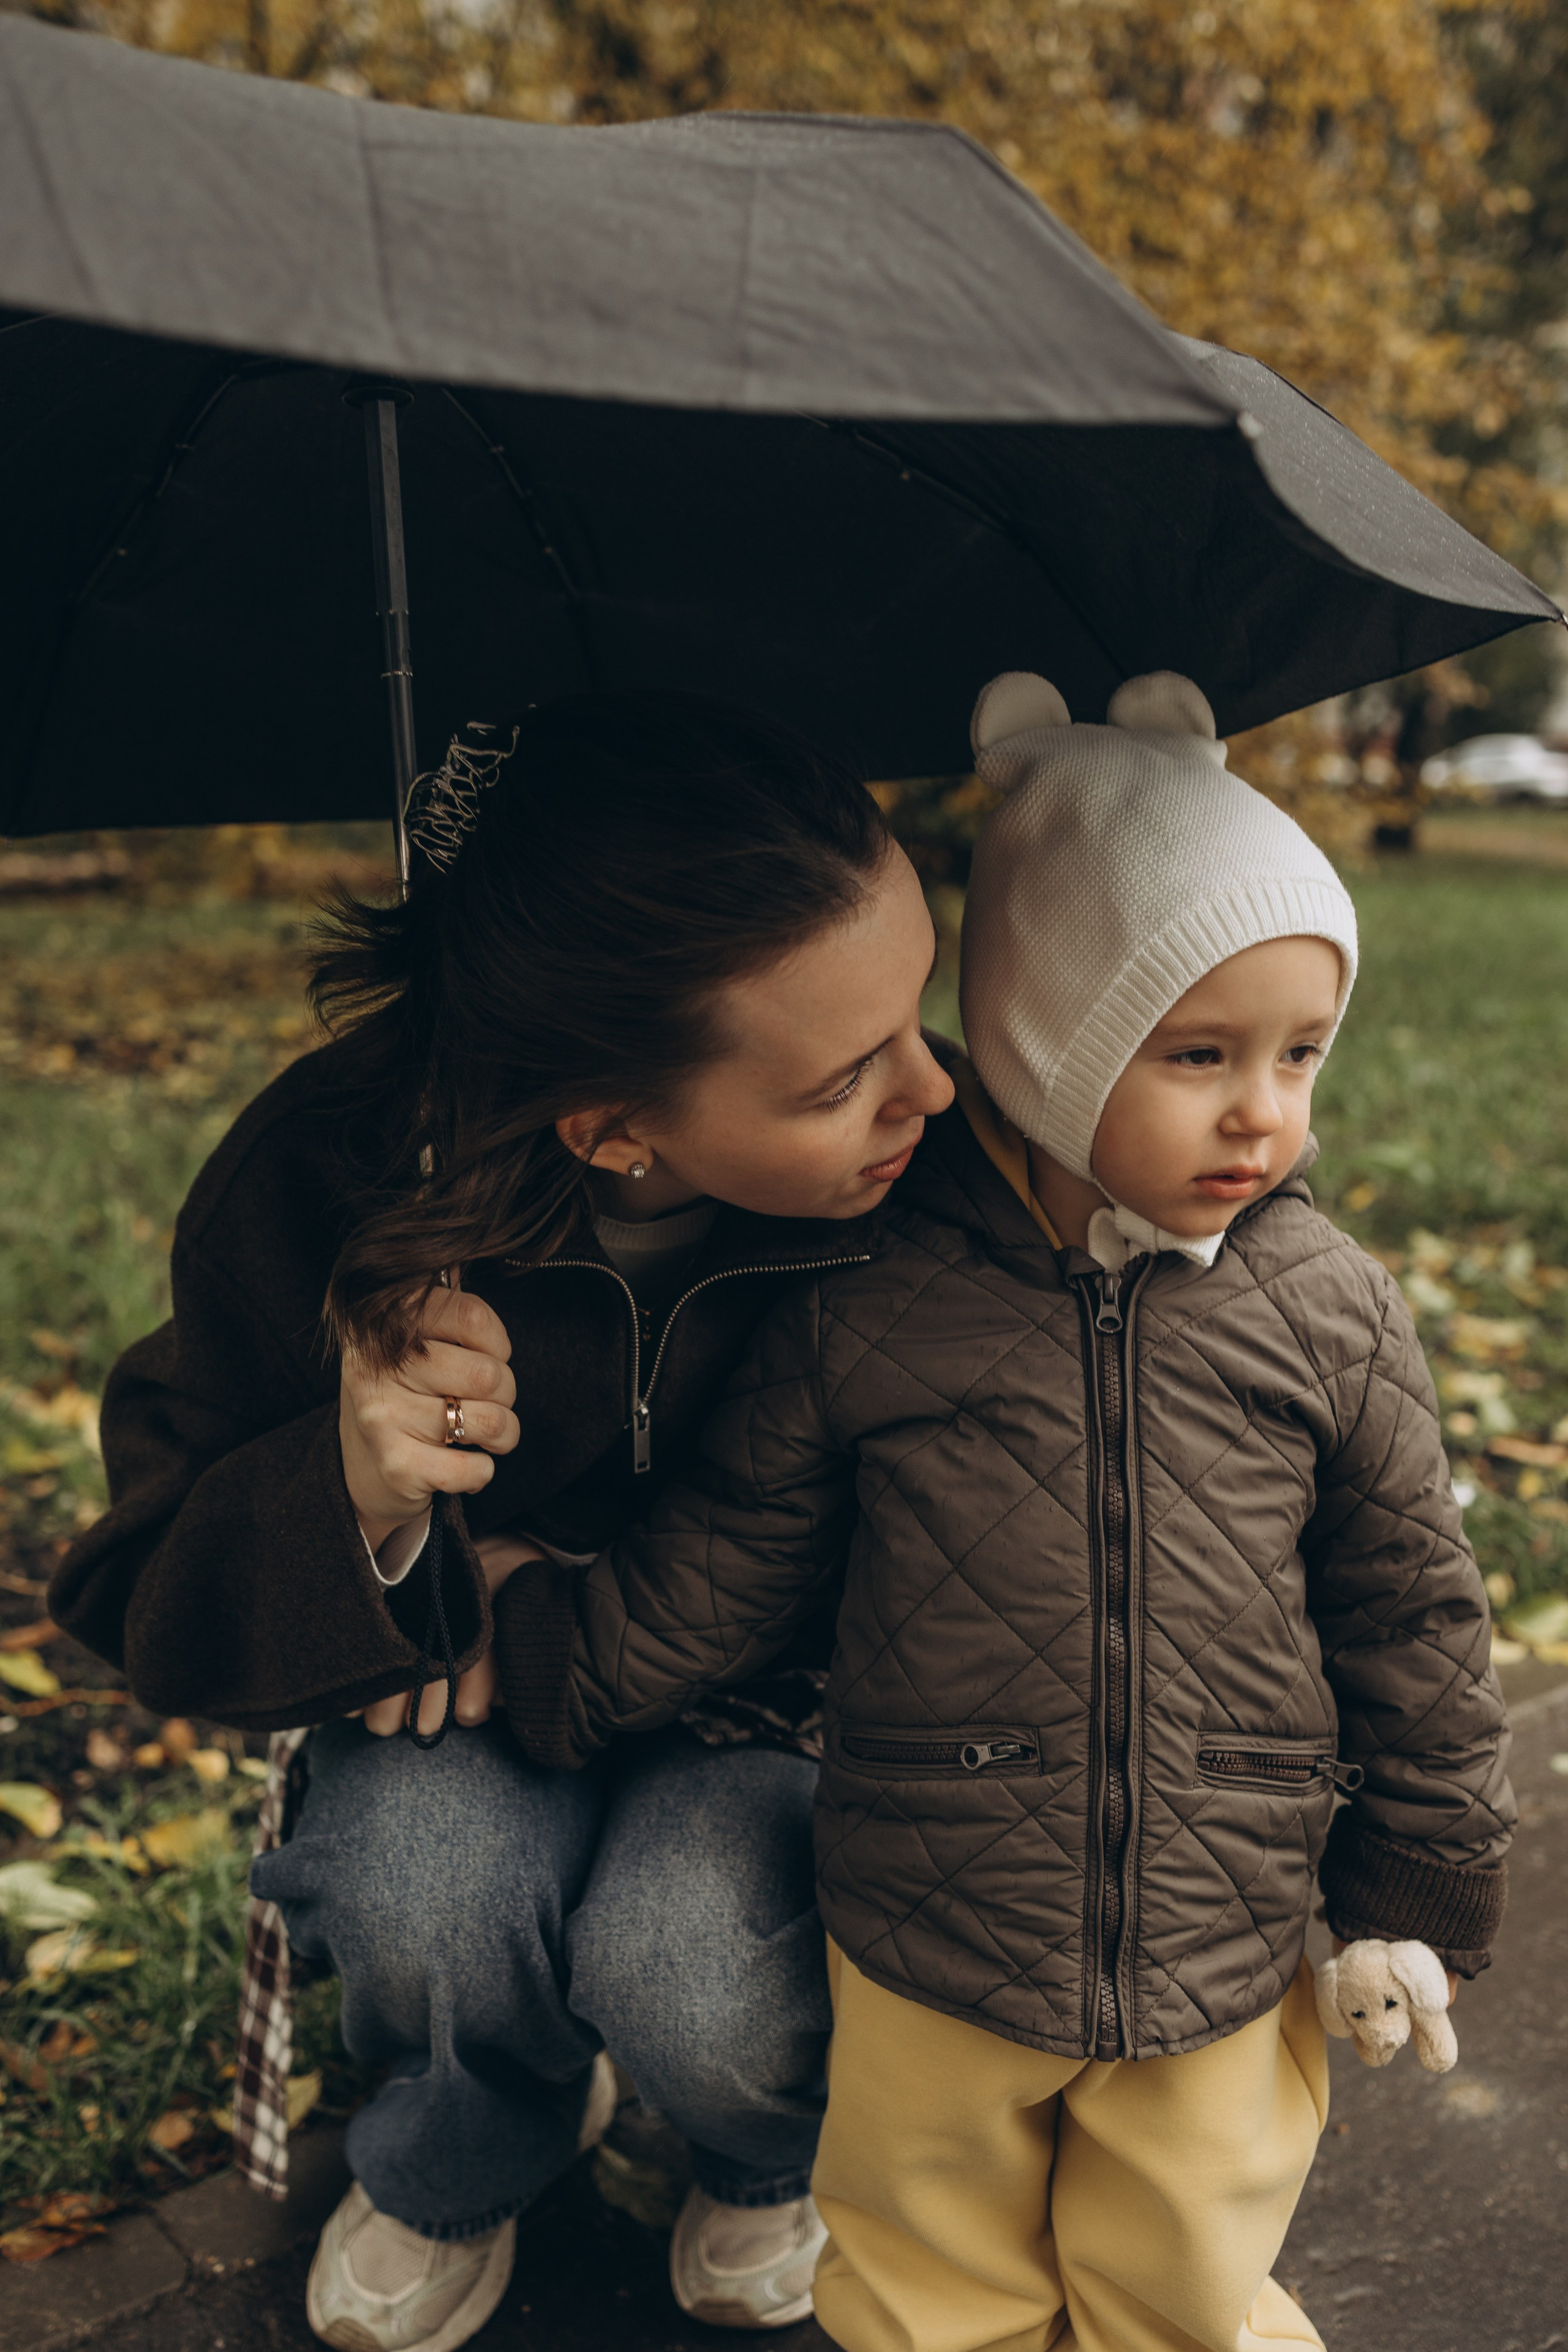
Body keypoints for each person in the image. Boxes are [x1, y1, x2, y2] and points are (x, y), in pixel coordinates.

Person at [500, 670, 1514, 2352]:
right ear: (1050, 1041)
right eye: (1200, 1056)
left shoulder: (1328, 1309)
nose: (1265, 1108)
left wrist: (1415, 1886)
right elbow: (728, 1560)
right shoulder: (868, 1297)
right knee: (922, 2281)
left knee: (1183, 2282)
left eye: (1300, 1054)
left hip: (1221, 1918)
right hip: (932, 1926)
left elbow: (1415, 1610)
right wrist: (542, 1651)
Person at [48, 692, 956, 2350]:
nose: (934, 1092)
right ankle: (463, 2153)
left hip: (764, 1711)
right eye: (847, 1076)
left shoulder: (932, 1199)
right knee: (429, 1891)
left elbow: (991, 1534)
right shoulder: (333, 1176)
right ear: (610, 1123)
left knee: (694, 1963)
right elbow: (134, 1597)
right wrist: (358, 1492)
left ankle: (762, 2146)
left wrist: (572, 1600)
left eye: (923, 1012)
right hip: (448, 1730)